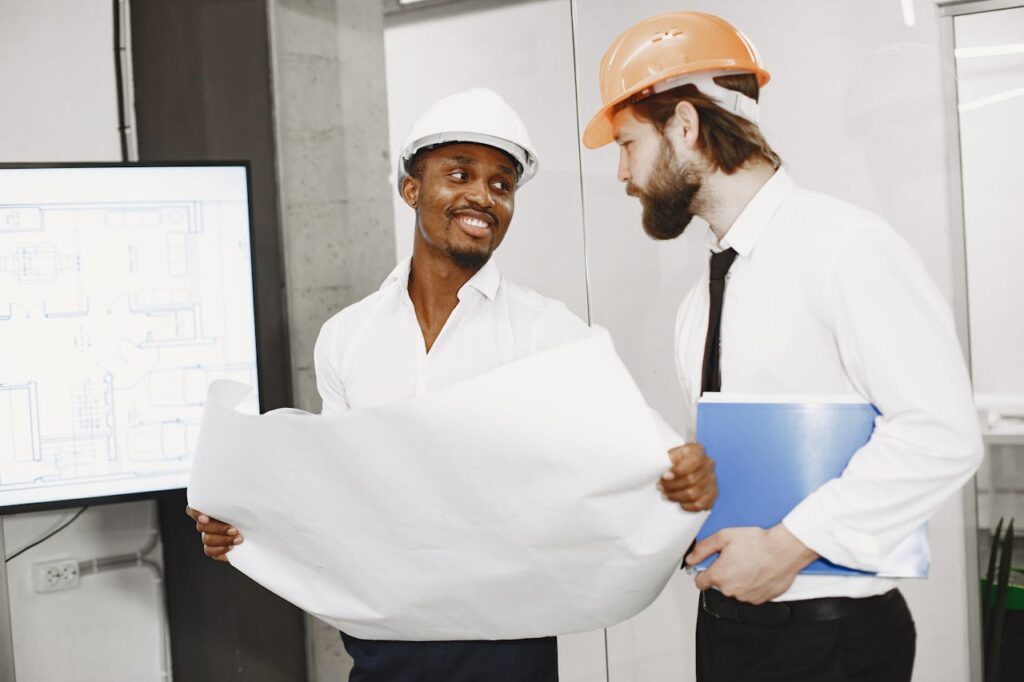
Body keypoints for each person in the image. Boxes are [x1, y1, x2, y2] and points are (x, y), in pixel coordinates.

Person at [187, 87, 718, 681]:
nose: (482, 197)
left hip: (509, 650)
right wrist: (245, 522)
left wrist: (682, 468)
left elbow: (643, 451)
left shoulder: (548, 332)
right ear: (412, 189)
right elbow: (335, 492)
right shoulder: (348, 337)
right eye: (459, 174)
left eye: (501, 184)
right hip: (384, 651)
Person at [583, 11, 983, 682]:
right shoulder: (697, 301)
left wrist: (789, 547)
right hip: (727, 630)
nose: (622, 172)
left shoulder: (847, 250)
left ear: (684, 125)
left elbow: (941, 432)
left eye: (627, 143)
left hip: (832, 643)